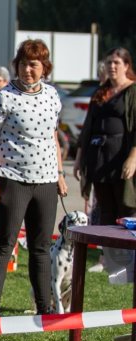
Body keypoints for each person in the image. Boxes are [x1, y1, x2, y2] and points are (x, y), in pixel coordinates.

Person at [0, 39, 68, 317]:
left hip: (46, 181)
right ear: (15, 66)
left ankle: (44, 308)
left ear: (44, 68)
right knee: (4, 243)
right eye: (22, 64)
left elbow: (52, 136)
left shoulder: (52, 95)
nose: (27, 70)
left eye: (34, 64)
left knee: (41, 247)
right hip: (11, 178)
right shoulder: (3, 97)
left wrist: (60, 174)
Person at [74, 47, 136, 227]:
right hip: (98, 158)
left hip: (121, 158)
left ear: (126, 65)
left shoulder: (132, 91)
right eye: (109, 62)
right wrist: (79, 159)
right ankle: (107, 254)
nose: (112, 66)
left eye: (116, 62)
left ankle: (125, 253)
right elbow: (87, 127)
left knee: (125, 207)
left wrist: (133, 158)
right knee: (105, 210)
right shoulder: (100, 91)